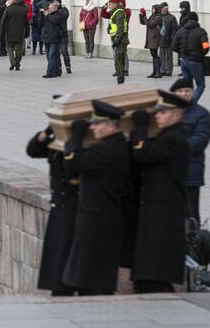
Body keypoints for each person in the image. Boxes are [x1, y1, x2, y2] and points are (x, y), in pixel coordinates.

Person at [62, 100, 131, 295]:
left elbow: (72, 163)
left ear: (110, 125)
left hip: (97, 217)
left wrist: (75, 135)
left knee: (91, 272)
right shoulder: (117, 146)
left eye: (96, 123)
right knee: (96, 269)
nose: (92, 127)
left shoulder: (106, 150)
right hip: (106, 214)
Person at [130, 90, 190, 293]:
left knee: (157, 266)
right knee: (148, 265)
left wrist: (140, 126)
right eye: (157, 111)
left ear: (178, 114)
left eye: (163, 112)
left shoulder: (175, 139)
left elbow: (142, 152)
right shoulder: (166, 135)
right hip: (156, 205)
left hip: (165, 208)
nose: (157, 115)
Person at [27, 122, 79, 296]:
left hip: (74, 210)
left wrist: (76, 136)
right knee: (57, 259)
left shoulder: (78, 145)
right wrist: (47, 131)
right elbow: (32, 150)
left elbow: (72, 166)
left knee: (66, 256)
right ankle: (60, 289)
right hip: (60, 210)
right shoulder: (57, 142)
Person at [171, 78, 210, 224]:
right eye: (180, 91)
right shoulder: (166, 113)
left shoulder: (201, 114)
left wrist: (172, 148)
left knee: (191, 214)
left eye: (187, 91)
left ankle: (193, 244)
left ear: (193, 92)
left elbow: (200, 140)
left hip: (191, 171)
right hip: (170, 173)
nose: (183, 94)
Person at [172, 12, 210, 102]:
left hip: (184, 61)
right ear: (197, 19)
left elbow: (173, 46)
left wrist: (181, 52)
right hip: (196, 61)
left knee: (187, 86)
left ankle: (185, 103)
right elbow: (206, 46)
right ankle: (191, 104)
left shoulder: (180, 31)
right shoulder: (201, 31)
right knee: (200, 85)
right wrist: (201, 54)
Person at [0, 0, 30, 71]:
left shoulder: (8, 9)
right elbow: (26, 23)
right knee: (19, 48)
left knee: (9, 47)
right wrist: (27, 32)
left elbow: (3, 21)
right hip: (20, 32)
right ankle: (17, 63)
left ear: (13, 0)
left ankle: (12, 62)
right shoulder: (23, 9)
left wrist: (1, 33)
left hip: (9, 32)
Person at [107, 0, 129, 84]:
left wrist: (116, 40)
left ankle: (121, 79)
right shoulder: (115, 12)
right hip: (118, 39)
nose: (109, 5)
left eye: (111, 4)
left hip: (121, 40)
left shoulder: (119, 12)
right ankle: (120, 77)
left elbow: (120, 28)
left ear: (115, 4)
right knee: (118, 59)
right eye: (109, 4)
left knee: (119, 59)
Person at [42, 0, 66, 78]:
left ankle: (50, 72)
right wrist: (41, 17)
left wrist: (47, 16)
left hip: (55, 39)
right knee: (50, 57)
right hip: (47, 38)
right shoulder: (48, 16)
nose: (49, 10)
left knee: (52, 56)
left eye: (51, 8)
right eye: (49, 8)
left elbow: (55, 20)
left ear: (55, 8)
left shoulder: (59, 14)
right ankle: (57, 71)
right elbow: (41, 24)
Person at [139, 5, 163, 78]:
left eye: (154, 9)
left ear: (157, 10)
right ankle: (155, 72)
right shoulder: (152, 17)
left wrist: (144, 16)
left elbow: (149, 25)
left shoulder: (158, 18)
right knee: (154, 55)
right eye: (152, 9)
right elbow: (143, 22)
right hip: (151, 38)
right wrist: (142, 15)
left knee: (155, 55)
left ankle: (158, 72)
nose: (153, 10)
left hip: (155, 38)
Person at [159, 3, 178, 76]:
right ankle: (162, 70)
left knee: (168, 56)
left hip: (168, 40)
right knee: (162, 56)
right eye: (162, 8)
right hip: (161, 40)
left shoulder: (171, 17)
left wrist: (172, 38)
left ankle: (168, 70)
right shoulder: (159, 17)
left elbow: (175, 29)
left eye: (165, 8)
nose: (163, 10)